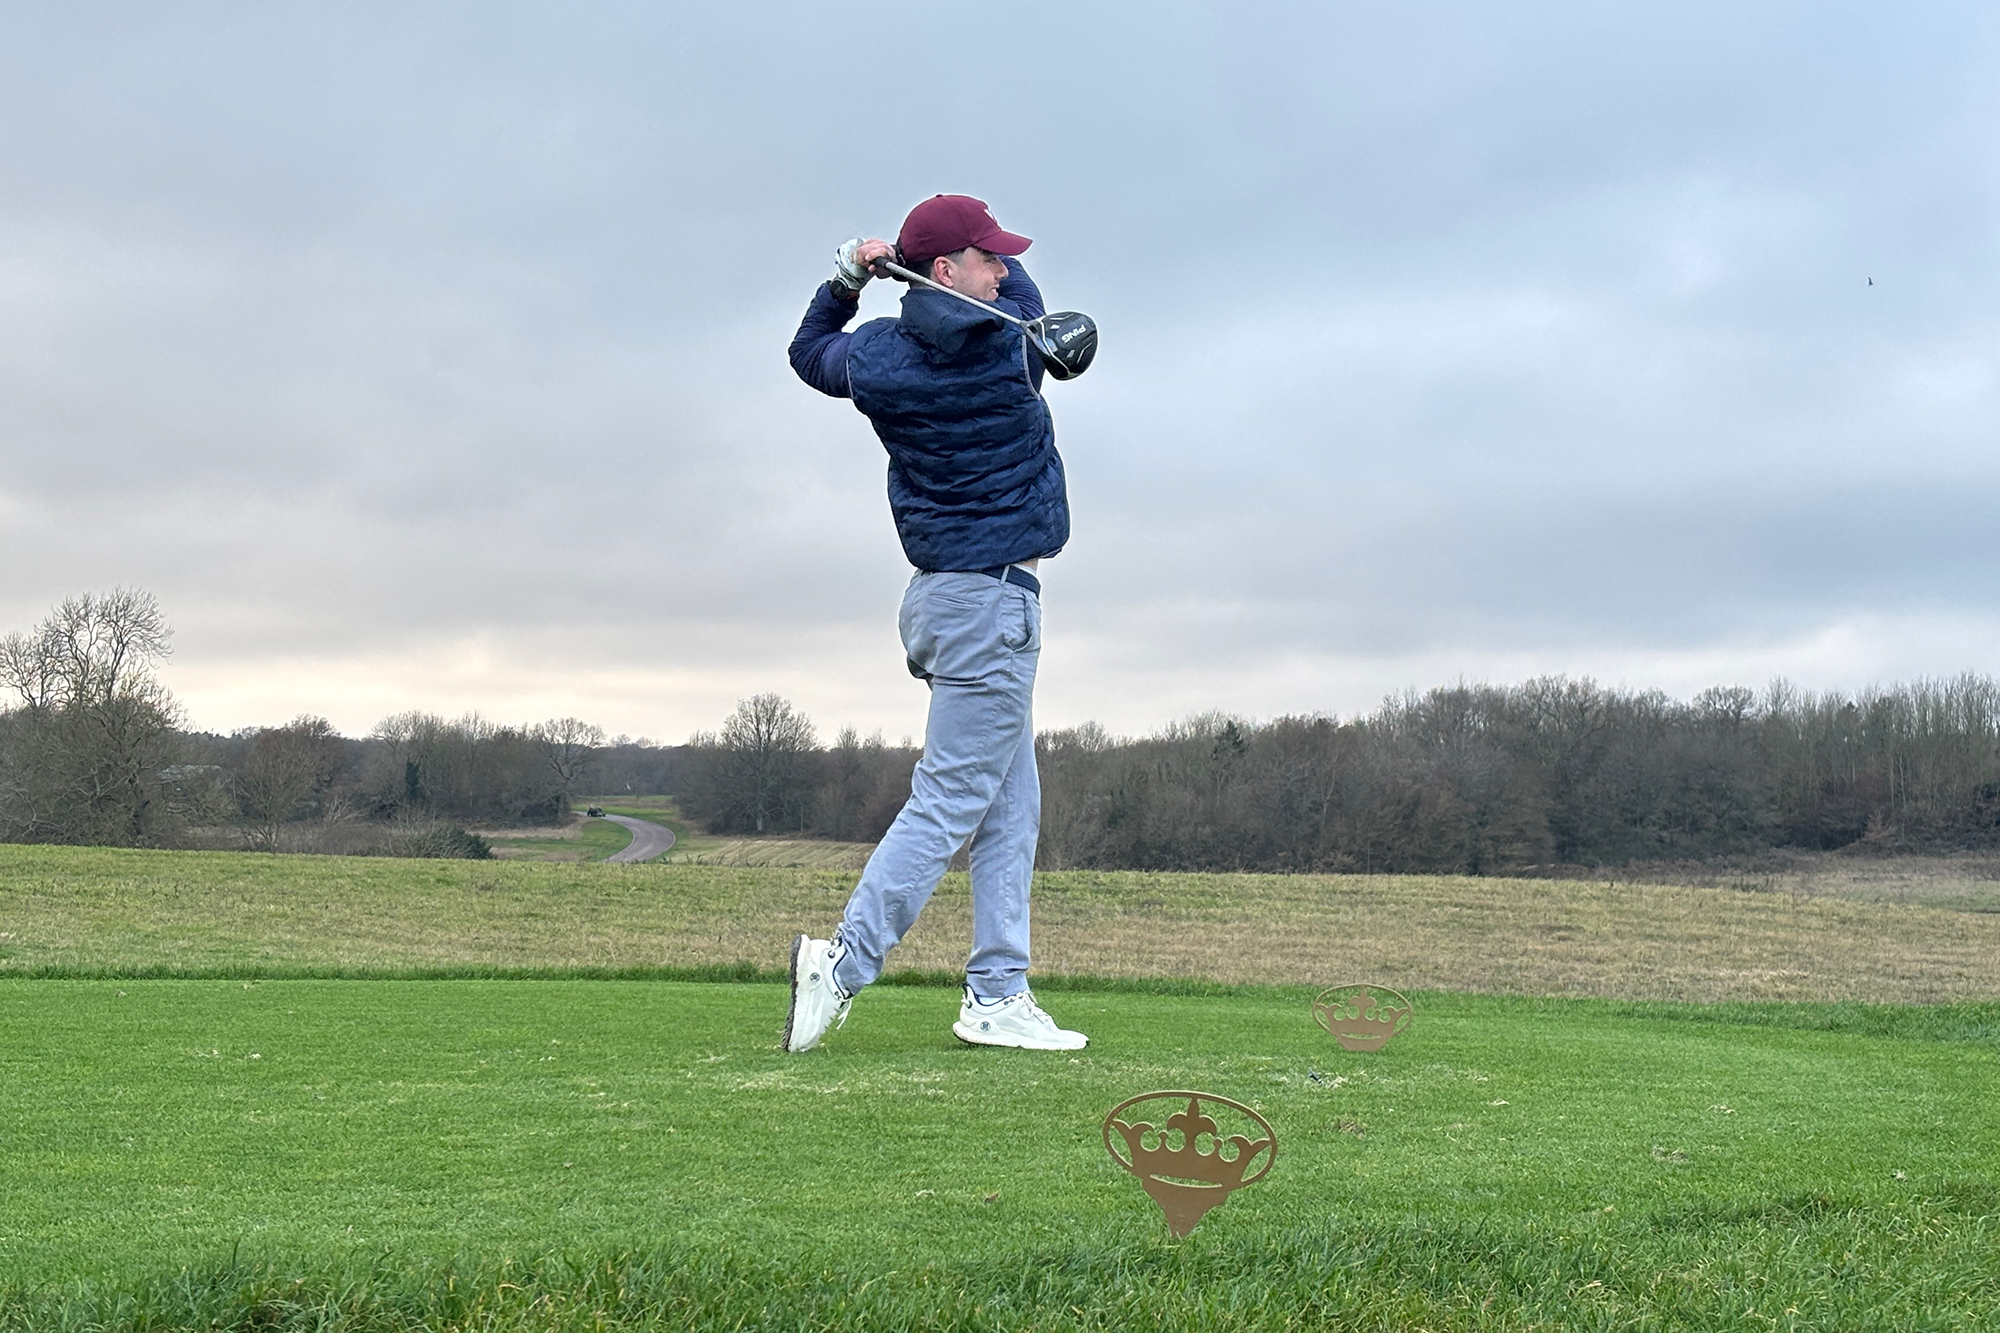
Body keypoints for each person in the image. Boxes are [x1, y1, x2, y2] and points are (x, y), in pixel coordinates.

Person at [781, 194, 1086, 1053]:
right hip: (993, 605)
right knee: (951, 798)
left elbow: (809, 355)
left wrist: (851, 274)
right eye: (984, 257)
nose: (1003, 267)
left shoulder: (880, 356)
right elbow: (1021, 292)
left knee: (1009, 804)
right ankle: (841, 965)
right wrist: (920, 266)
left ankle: (998, 991)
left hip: (941, 604)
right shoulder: (1009, 342)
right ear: (949, 272)